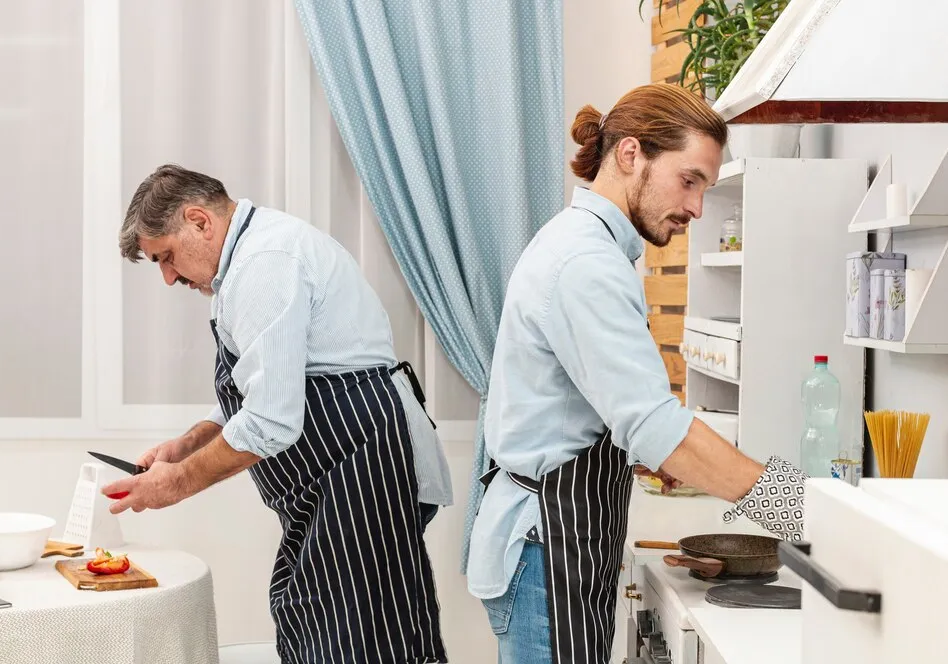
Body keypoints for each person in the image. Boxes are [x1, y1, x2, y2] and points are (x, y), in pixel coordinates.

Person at [466, 83, 807, 664]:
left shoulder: (592, 247)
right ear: (631, 156)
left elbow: (593, 406)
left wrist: (645, 452)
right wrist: (798, 507)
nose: (697, 208)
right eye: (690, 179)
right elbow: (654, 423)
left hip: (556, 542)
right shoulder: (586, 264)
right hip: (545, 551)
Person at [104, 164, 453, 664]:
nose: (168, 277)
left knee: (362, 645)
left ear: (199, 221)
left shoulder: (264, 264)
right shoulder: (248, 260)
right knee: (318, 625)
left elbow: (270, 419)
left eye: (167, 257)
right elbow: (266, 386)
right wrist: (188, 444)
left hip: (357, 475)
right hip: (330, 489)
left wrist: (174, 483)